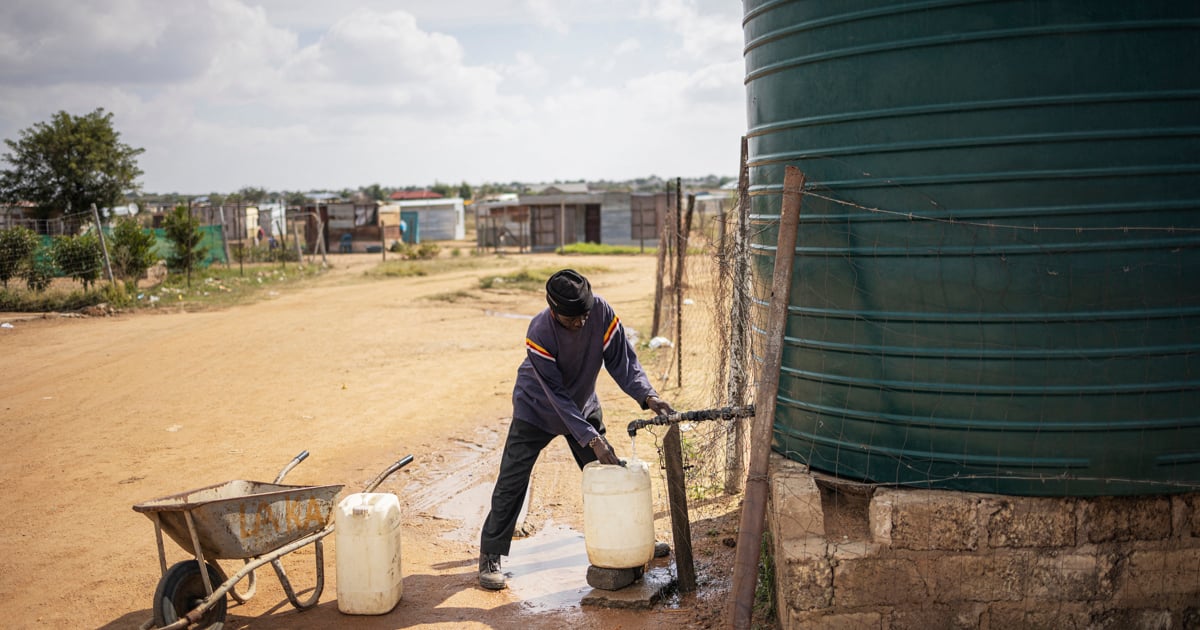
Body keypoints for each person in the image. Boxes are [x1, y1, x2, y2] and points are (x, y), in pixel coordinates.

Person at [477, 269, 674, 590]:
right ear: (554, 312)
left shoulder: (600, 312)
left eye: (585, 315)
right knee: (512, 480)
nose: (582, 323)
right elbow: (556, 396)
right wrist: (592, 438)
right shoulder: (540, 332)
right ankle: (490, 555)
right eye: (572, 319)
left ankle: (633, 540)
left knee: (610, 474)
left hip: (582, 405)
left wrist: (648, 395)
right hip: (536, 408)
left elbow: (623, 361)